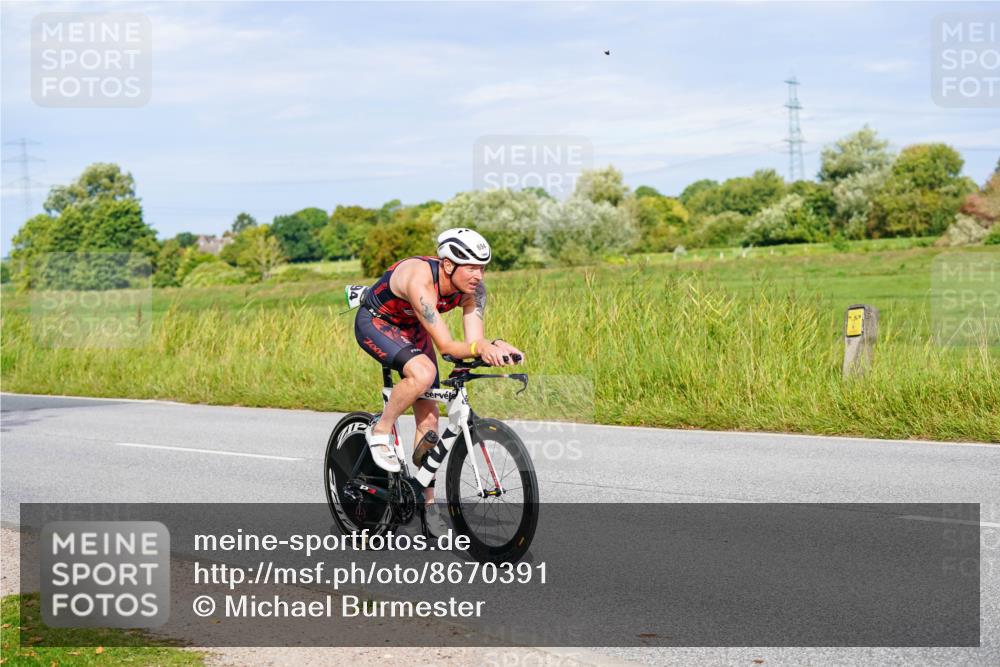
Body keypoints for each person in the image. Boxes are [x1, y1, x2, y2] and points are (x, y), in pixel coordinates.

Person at [353, 227, 525, 513]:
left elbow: (473, 343)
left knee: (430, 419)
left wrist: (494, 345)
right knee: (422, 374)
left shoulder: (474, 291)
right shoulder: (421, 281)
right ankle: (380, 430)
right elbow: (446, 346)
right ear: (447, 264)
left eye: (482, 268)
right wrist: (479, 348)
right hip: (378, 323)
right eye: (470, 267)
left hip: (414, 328)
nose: (478, 276)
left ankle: (426, 507)